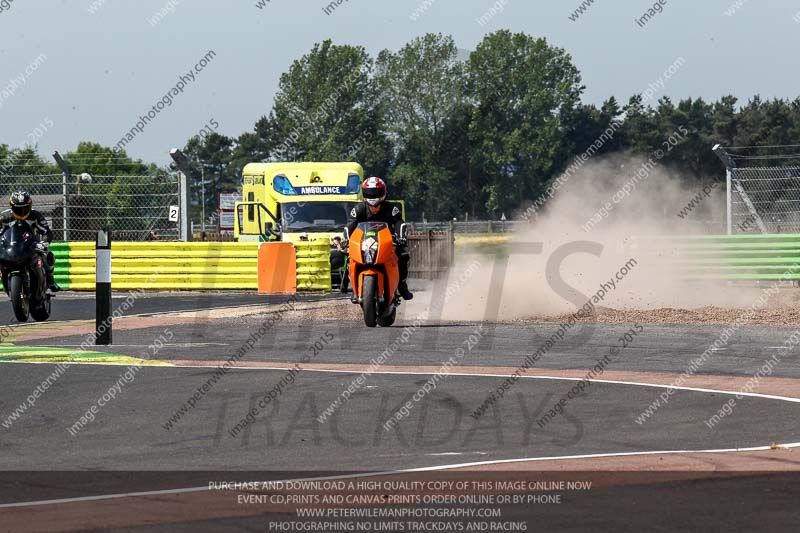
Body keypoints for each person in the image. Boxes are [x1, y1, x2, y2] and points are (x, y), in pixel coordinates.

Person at [345, 177, 413, 300]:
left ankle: (402, 285)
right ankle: (354, 287)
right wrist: (346, 240)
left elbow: (399, 223)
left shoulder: (392, 208)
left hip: (387, 242)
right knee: (350, 257)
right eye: (370, 192)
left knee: (403, 255)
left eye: (376, 192)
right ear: (364, 193)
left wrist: (401, 238)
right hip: (364, 242)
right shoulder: (358, 209)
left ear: (383, 193)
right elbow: (350, 225)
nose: (373, 196)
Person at [0, 190, 60, 293]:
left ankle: (50, 281)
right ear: (12, 207)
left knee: (47, 255)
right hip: (10, 246)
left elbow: (46, 231)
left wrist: (44, 243)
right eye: (18, 209)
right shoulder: (4, 217)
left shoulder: (35, 215)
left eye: (25, 207)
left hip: (31, 245)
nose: (22, 211)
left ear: (30, 205)